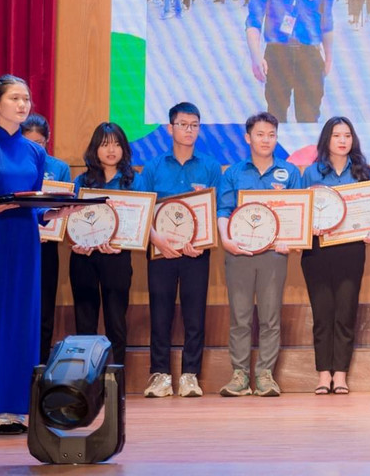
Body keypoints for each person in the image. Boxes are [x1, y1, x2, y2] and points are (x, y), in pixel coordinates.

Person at [0, 75, 75, 433]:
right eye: (15, 98)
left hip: (26, 242)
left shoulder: (35, 152)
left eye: (26, 99)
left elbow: (33, 206)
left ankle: (19, 409)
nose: (23, 105)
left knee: (24, 321)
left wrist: (56, 213)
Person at [135, 102, 219, 399]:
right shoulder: (153, 167)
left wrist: (202, 240)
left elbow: (216, 209)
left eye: (194, 125)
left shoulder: (210, 166)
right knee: (161, 313)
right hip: (161, 251)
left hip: (196, 252)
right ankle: (159, 375)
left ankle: (189, 376)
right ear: (170, 128)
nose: (189, 130)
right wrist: (157, 240)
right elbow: (143, 210)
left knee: (195, 314)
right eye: (183, 124)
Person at [217, 111, 303, 397]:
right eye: (260, 134)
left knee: (270, 317)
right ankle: (239, 375)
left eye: (271, 135)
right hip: (238, 252)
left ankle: (265, 375)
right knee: (240, 317)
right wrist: (226, 239)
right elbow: (223, 211)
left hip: (274, 255)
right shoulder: (233, 173)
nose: (266, 140)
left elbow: (297, 214)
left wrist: (290, 241)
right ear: (248, 138)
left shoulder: (290, 172)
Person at [301, 116, 370, 395]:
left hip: (351, 251)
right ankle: (323, 374)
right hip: (317, 251)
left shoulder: (363, 172)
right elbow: (301, 213)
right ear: (326, 140)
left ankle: (340, 374)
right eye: (336, 135)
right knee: (322, 314)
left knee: (345, 312)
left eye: (347, 135)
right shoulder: (312, 173)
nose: (343, 140)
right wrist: (309, 225)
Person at [245, 0, 335, 123]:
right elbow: (253, 23)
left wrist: (328, 58)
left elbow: (327, 24)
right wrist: (256, 57)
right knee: (275, 117)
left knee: (309, 117)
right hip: (277, 56)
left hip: (310, 55)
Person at [70, 123, 137, 366]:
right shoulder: (81, 181)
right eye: (105, 145)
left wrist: (125, 241)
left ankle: (115, 377)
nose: (111, 150)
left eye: (117, 144)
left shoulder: (133, 181)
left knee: (116, 321)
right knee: (85, 320)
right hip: (84, 257)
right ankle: (86, 378)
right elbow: (69, 218)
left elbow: (140, 221)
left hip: (117, 257)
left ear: (124, 149)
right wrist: (75, 242)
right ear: (95, 149)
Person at [19, 114, 73, 360]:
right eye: (28, 143)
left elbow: (64, 208)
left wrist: (49, 230)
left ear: (47, 140)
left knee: (44, 305)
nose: (34, 148)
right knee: (19, 304)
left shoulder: (59, 168)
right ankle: (19, 361)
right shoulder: (13, 166)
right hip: (19, 244)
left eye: (39, 143)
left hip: (47, 246)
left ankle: (40, 363)